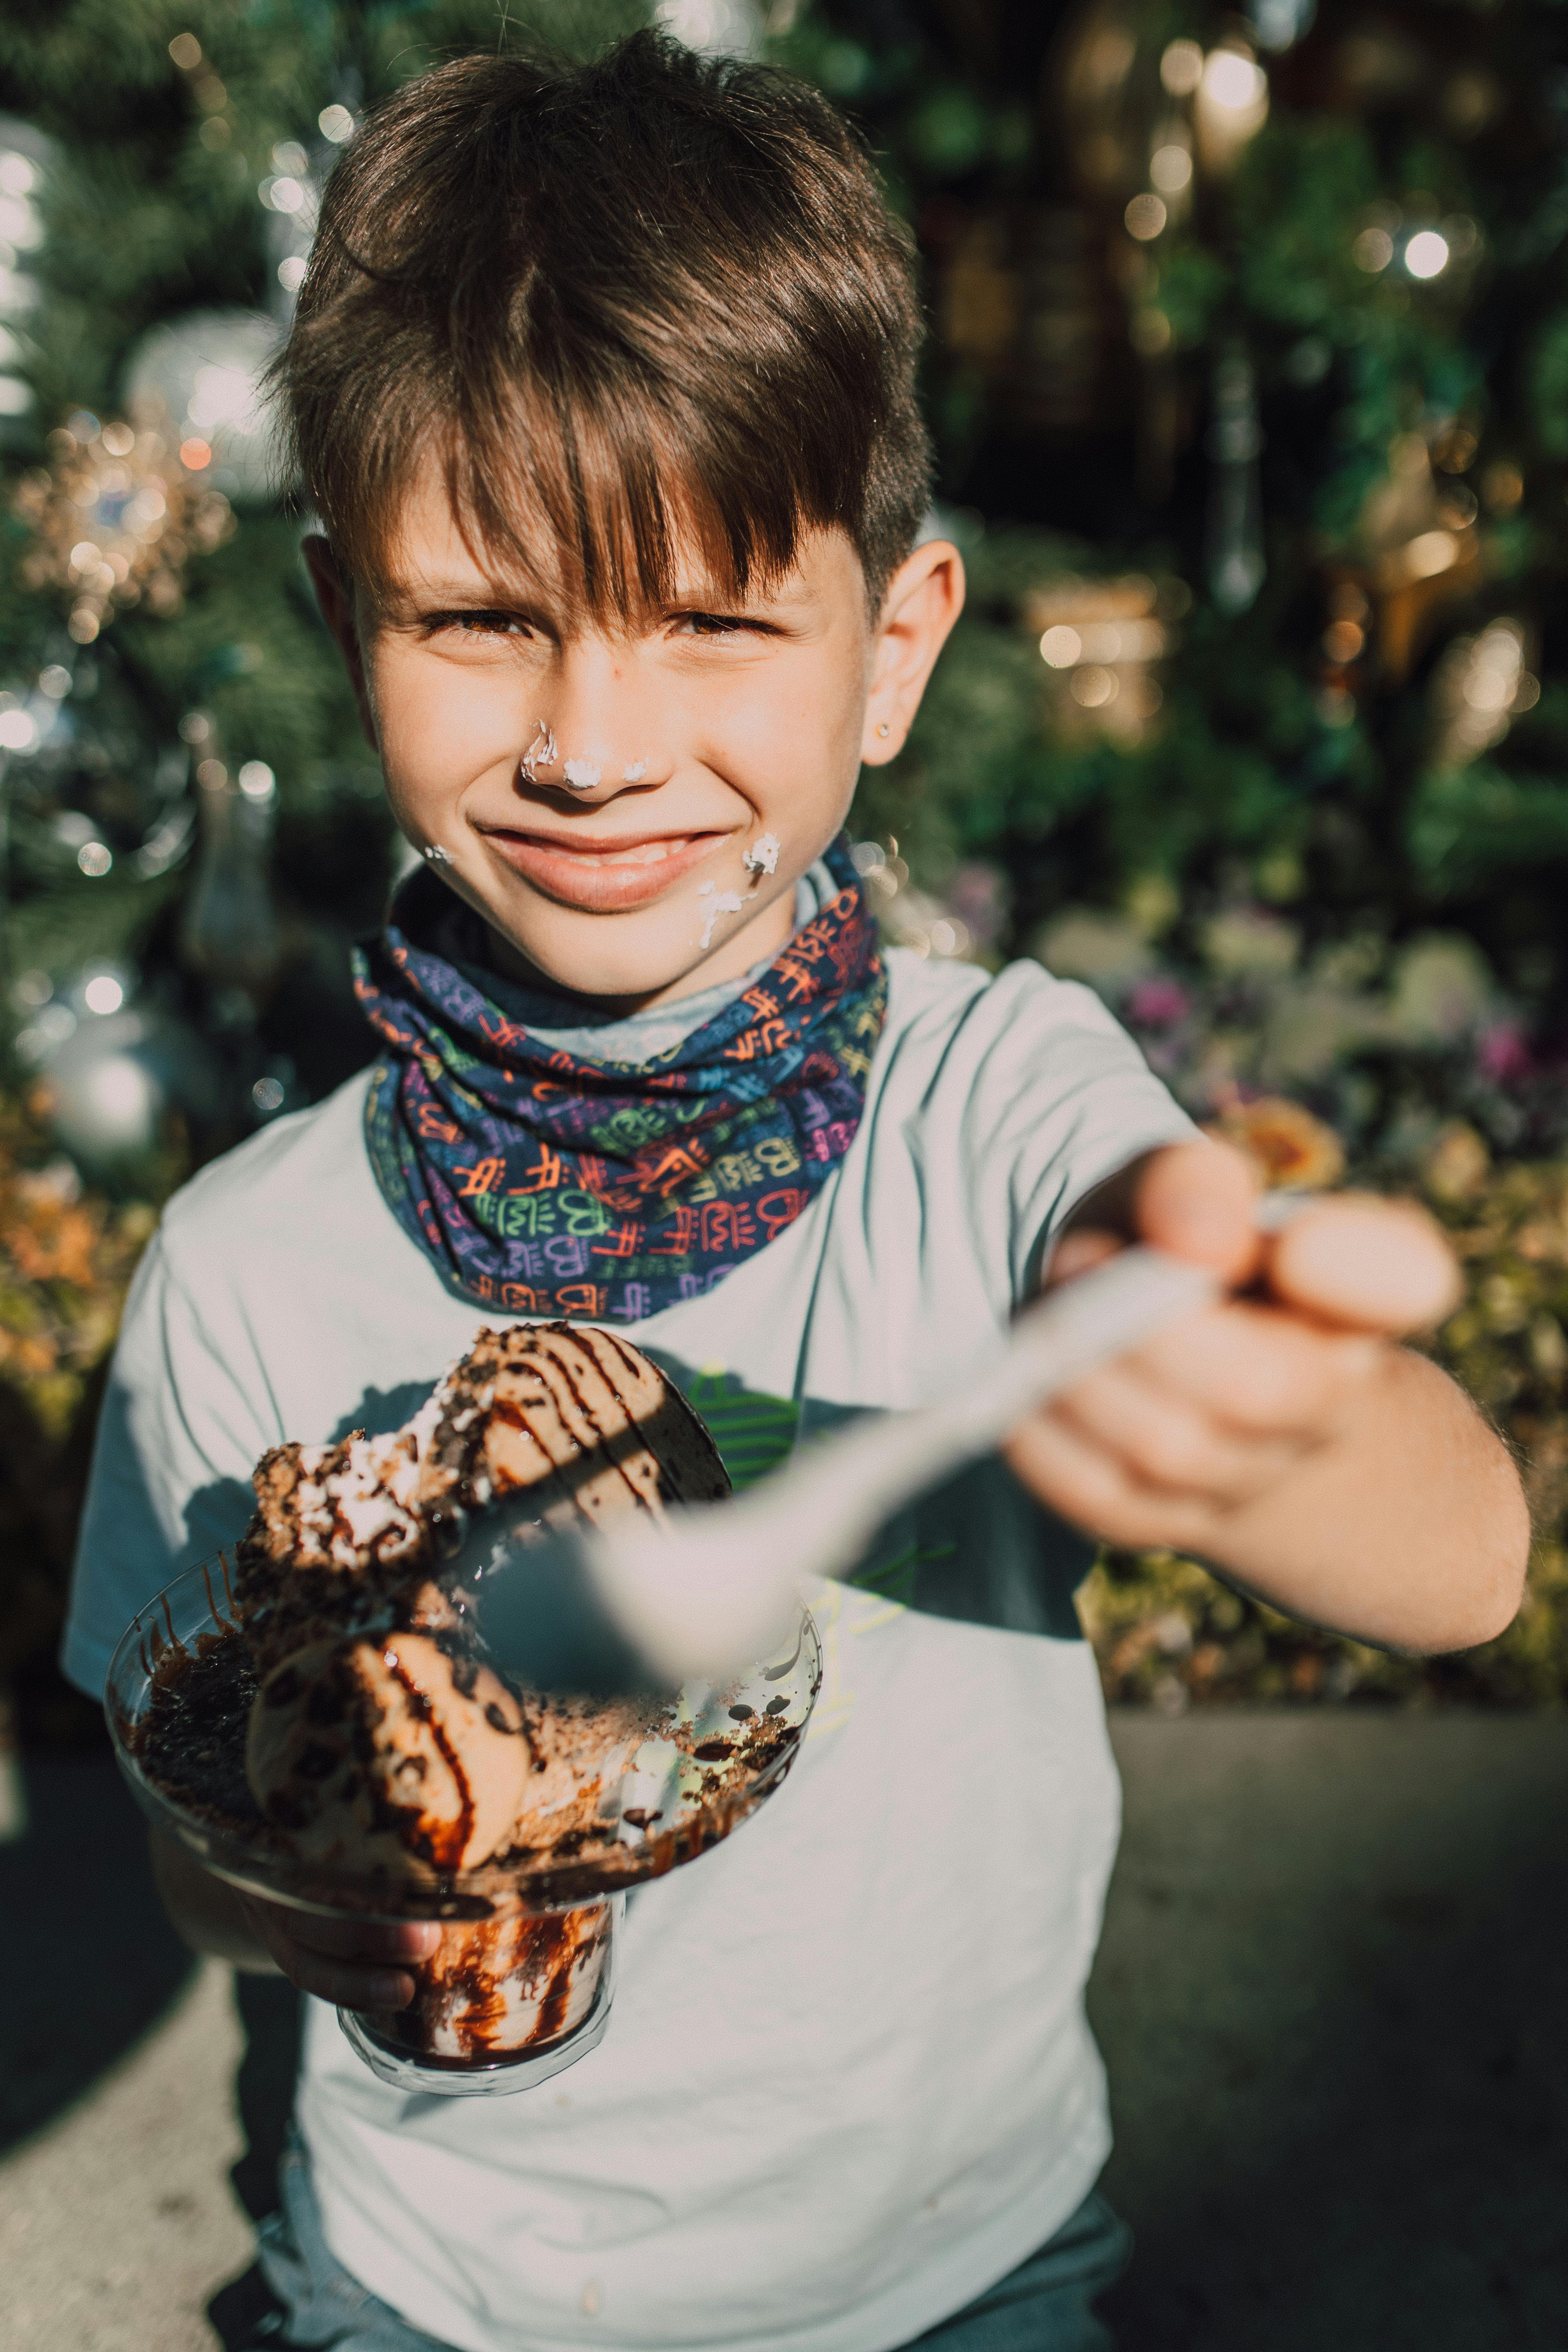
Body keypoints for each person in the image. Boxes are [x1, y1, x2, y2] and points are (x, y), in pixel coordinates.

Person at [62, 33, 1528, 2352]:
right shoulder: (249, 1261)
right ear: (352, 626)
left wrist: (1260, 1405)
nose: (593, 742)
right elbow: (187, 1826)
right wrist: (290, 1904)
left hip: (956, 2290)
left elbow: (1460, 1562)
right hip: (431, 2296)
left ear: (897, 648)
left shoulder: (1002, 1121)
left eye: (718, 620)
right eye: (483, 616)